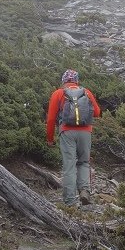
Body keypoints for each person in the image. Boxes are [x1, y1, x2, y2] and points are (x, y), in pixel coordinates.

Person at [46, 69, 101, 206]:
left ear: (64, 81)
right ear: (77, 80)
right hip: (85, 132)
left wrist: (50, 139)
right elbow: (97, 112)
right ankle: (84, 191)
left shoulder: (58, 93)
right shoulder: (86, 92)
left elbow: (51, 118)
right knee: (83, 162)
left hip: (67, 132)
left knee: (69, 166)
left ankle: (70, 202)